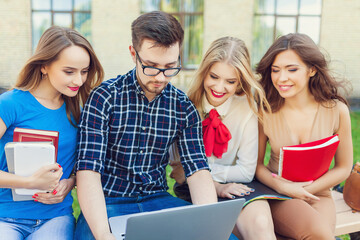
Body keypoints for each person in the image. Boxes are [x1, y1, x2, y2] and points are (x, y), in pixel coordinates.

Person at [74, 11, 218, 240]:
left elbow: (198, 171)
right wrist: (103, 234)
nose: (160, 77)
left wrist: (209, 228)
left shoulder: (183, 107)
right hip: (108, 203)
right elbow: (88, 171)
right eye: (151, 66)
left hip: (158, 201)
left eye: (170, 66)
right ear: (133, 54)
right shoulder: (104, 98)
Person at [0, 26, 104, 240]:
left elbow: (83, 167)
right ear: (44, 66)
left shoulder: (79, 112)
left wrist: (71, 183)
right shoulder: (10, 104)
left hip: (55, 218)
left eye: (84, 72)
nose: (79, 81)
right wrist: (30, 182)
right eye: (69, 71)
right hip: (5, 216)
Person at [169, 36, 276, 240]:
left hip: (238, 187)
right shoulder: (184, 106)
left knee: (261, 226)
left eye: (230, 81)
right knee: (219, 231)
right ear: (204, 73)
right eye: (214, 76)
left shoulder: (247, 109)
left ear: (240, 82)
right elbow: (180, 173)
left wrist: (207, 173)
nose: (219, 88)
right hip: (191, 190)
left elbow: (245, 171)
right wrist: (216, 186)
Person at [256, 33, 353, 239]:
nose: (281, 78)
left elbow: (344, 167)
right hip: (278, 194)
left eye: (292, 69)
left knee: (322, 233)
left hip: (320, 195)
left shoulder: (337, 110)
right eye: (275, 70)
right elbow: (256, 166)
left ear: (312, 69)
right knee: (321, 235)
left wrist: (308, 189)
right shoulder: (265, 111)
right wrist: (284, 187)